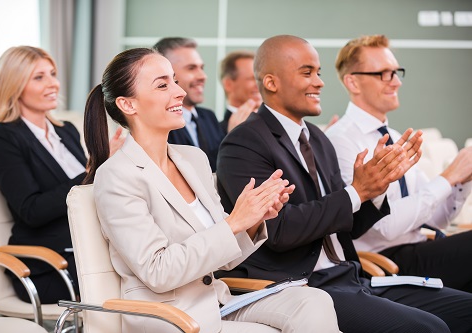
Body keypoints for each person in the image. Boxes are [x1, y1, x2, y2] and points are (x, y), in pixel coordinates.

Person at [216, 35, 472, 333]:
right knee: (429, 329)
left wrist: (375, 191)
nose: (320, 82)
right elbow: (279, 231)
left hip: (351, 276)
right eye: (307, 72)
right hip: (305, 288)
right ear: (271, 83)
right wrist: (357, 191)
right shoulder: (243, 144)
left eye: (319, 72)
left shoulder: (319, 140)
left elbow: (346, 226)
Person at [83, 47, 341, 333]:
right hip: (168, 316)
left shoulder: (193, 159)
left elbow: (226, 258)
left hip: (217, 301)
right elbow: (157, 272)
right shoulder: (116, 175)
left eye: (175, 81)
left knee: (313, 301)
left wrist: (254, 219)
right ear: (128, 105)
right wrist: (234, 222)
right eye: (162, 85)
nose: (179, 92)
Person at [325, 34, 472, 292]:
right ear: (353, 82)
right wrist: (447, 177)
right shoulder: (341, 140)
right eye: (384, 73)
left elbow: (436, 220)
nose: (396, 82)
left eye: (396, 72)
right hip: (385, 263)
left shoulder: (394, 137)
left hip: (420, 249)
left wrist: (461, 182)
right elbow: (384, 227)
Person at [0, 46, 124, 305]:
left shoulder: (66, 131)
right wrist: (94, 169)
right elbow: (31, 210)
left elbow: (87, 188)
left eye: (53, 74)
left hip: (89, 249)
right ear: (14, 85)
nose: (53, 84)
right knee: (137, 281)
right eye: (39, 77)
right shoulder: (2, 136)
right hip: (49, 265)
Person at [153, 37, 224, 172]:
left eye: (201, 68)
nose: (203, 76)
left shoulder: (209, 117)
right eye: (191, 68)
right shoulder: (158, 124)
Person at [219, 50, 262, 134]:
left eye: (260, 79)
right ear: (228, 84)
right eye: (252, 78)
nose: (260, 84)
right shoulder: (214, 131)